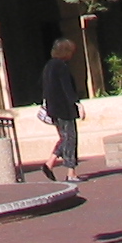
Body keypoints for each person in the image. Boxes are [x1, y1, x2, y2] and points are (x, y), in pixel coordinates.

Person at [40, 38, 82, 181]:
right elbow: (67, 88)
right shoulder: (62, 66)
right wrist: (77, 103)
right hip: (64, 108)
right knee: (70, 138)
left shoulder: (48, 66)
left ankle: (50, 163)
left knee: (64, 138)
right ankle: (71, 173)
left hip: (54, 108)